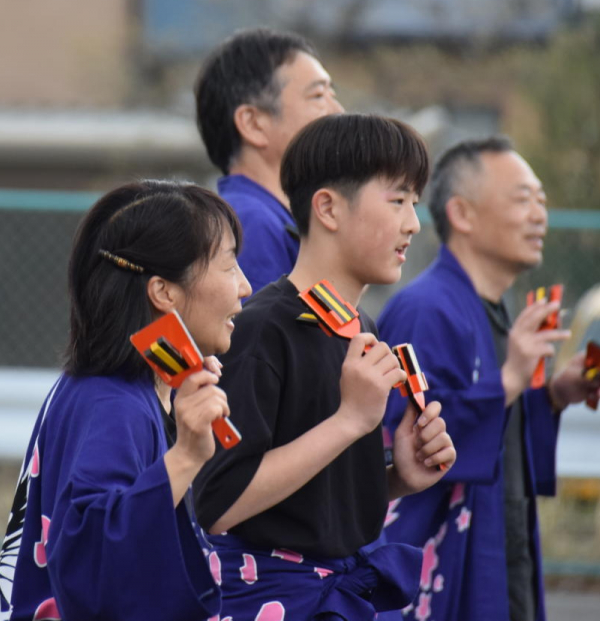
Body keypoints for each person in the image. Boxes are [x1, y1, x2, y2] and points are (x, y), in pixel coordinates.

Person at [194, 113, 456, 620]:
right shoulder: (262, 330)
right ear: (329, 208)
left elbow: (309, 505)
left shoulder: (363, 330)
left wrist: (396, 476)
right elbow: (219, 502)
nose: (413, 223)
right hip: (269, 601)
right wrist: (349, 422)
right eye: (397, 200)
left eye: (415, 204)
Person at [0, 180, 250, 621]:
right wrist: (183, 457)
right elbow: (92, 555)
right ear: (163, 291)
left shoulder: (111, 390)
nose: (245, 286)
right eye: (228, 265)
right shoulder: (113, 402)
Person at [377, 137, 600, 621]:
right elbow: (405, 444)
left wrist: (551, 395)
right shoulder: (426, 308)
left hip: (504, 543)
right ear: (462, 214)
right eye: (523, 199)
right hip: (445, 566)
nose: (540, 215)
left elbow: (499, 426)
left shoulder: (493, 310)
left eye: (541, 201)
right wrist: (507, 382)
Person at [193, 28, 344, 292]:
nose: (338, 112)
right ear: (253, 123)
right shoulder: (249, 225)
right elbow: (260, 332)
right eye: (318, 96)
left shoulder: (271, 218)